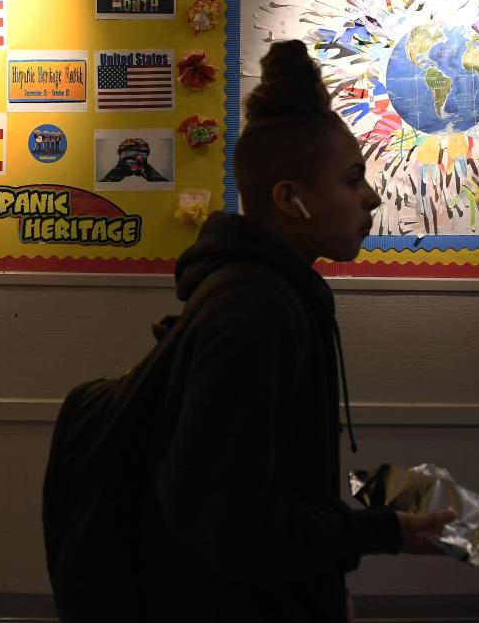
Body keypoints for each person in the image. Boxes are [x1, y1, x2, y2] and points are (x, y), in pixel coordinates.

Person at [143, 40, 456, 622]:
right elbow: (229, 525)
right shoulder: (255, 314)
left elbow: (267, 491)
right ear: (292, 200)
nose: (371, 197)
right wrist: (379, 530)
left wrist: (327, 583)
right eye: (352, 179)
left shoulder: (265, 294)